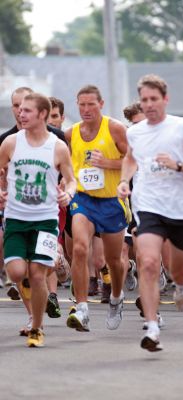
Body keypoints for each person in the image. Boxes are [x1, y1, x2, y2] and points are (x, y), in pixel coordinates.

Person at [117, 74, 183, 352]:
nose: (148, 104)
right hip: (148, 205)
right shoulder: (134, 132)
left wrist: (177, 165)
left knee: (179, 270)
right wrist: (124, 180)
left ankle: (182, 286)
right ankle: (152, 328)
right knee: (147, 261)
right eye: (144, 99)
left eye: (153, 99)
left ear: (165, 100)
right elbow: (131, 158)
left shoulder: (182, 127)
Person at [0, 93, 76, 347]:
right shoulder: (10, 143)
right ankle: (35, 310)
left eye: (27, 111)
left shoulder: (57, 146)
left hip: (45, 221)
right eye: (20, 110)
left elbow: (72, 179)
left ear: (42, 114)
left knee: (37, 275)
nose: (21, 114)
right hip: (16, 219)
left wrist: (67, 193)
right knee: (16, 271)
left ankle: (36, 327)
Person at [65, 85, 128, 332]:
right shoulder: (71, 134)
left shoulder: (114, 128)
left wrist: (108, 163)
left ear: (101, 104)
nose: (86, 109)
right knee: (80, 249)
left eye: (91, 104)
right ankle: (82, 308)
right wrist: (65, 182)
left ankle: (116, 298)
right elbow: (66, 164)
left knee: (114, 260)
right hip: (84, 199)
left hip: (112, 201)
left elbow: (133, 162)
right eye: (82, 104)